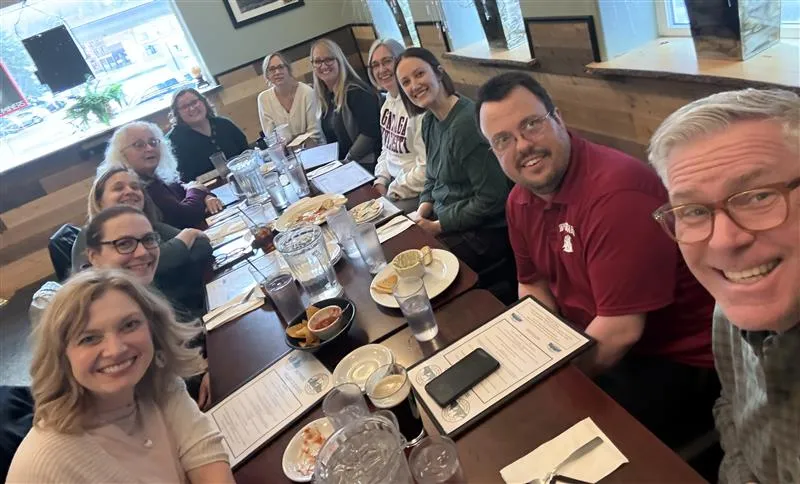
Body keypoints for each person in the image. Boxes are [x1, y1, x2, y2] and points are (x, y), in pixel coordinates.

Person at [476, 72, 716, 447]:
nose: (523, 145)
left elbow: (622, 332)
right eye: (503, 140)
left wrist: (548, 382)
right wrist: (538, 348)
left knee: (539, 436)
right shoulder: (519, 200)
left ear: (558, 118)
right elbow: (533, 283)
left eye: (532, 124)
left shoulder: (617, 193)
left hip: (670, 358)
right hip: (589, 338)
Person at [648, 89, 800, 483]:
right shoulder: (732, 301)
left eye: (758, 196)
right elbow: (732, 407)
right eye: (694, 211)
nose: (724, 241)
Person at [6, 269, 234, 482]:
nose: (115, 349)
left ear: (152, 328)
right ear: (62, 356)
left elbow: (206, 455)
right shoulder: (41, 466)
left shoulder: (160, 383)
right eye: (89, 338)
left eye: (129, 325)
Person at [394, 48, 512, 277]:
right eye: (406, 82)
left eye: (419, 74)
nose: (414, 85)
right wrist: (421, 212)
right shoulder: (429, 120)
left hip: (484, 233)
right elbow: (432, 176)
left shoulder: (466, 125)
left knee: (421, 274)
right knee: (401, 255)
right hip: (446, 219)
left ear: (438, 73)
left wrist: (438, 226)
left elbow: (493, 199)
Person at [81, 205, 212, 408]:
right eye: (124, 244)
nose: (142, 252)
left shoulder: (140, 293)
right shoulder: (95, 315)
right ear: (93, 257)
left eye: (149, 240)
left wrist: (208, 370)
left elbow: (182, 351)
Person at [71, 167, 212, 316]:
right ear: (99, 202)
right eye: (118, 188)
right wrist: (187, 236)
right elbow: (120, 279)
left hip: (193, 309)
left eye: (135, 187)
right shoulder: (89, 236)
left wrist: (170, 259)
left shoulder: (149, 224)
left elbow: (202, 246)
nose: (129, 191)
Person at [100, 121, 223, 230]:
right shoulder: (136, 189)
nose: (149, 148)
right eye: (139, 145)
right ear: (122, 154)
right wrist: (196, 189)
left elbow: (184, 188)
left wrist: (207, 196)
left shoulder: (154, 176)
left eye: (153, 142)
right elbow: (186, 216)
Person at [367, 38, 426, 214]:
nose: (381, 70)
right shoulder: (386, 104)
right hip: (393, 185)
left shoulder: (417, 106)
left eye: (387, 61)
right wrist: (381, 179)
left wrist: (393, 190)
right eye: (375, 65)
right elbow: (387, 149)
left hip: (415, 192)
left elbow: (425, 170)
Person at [311, 38, 382, 172]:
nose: (324, 65)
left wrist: (346, 162)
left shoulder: (356, 92)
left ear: (339, 60)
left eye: (329, 59)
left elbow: (370, 134)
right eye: (318, 61)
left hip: (367, 165)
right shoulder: (327, 96)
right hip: (345, 165)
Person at [167, 88, 249, 182]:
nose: (192, 108)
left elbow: (246, 153)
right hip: (205, 192)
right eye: (185, 107)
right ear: (177, 113)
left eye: (194, 102)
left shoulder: (224, 124)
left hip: (244, 179)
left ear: (203, 101)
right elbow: (184, 179)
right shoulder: (175, 140)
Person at [257, 51, 322, 145]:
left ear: (288, 69)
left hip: (315, 149)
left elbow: (314, 133)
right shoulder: (263, 99)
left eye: (281, 67)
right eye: (272, 69)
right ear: (267, 75)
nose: (277, 72)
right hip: (286, 155)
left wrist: (291, 146)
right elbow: (271, 139)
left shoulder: (307, 92)